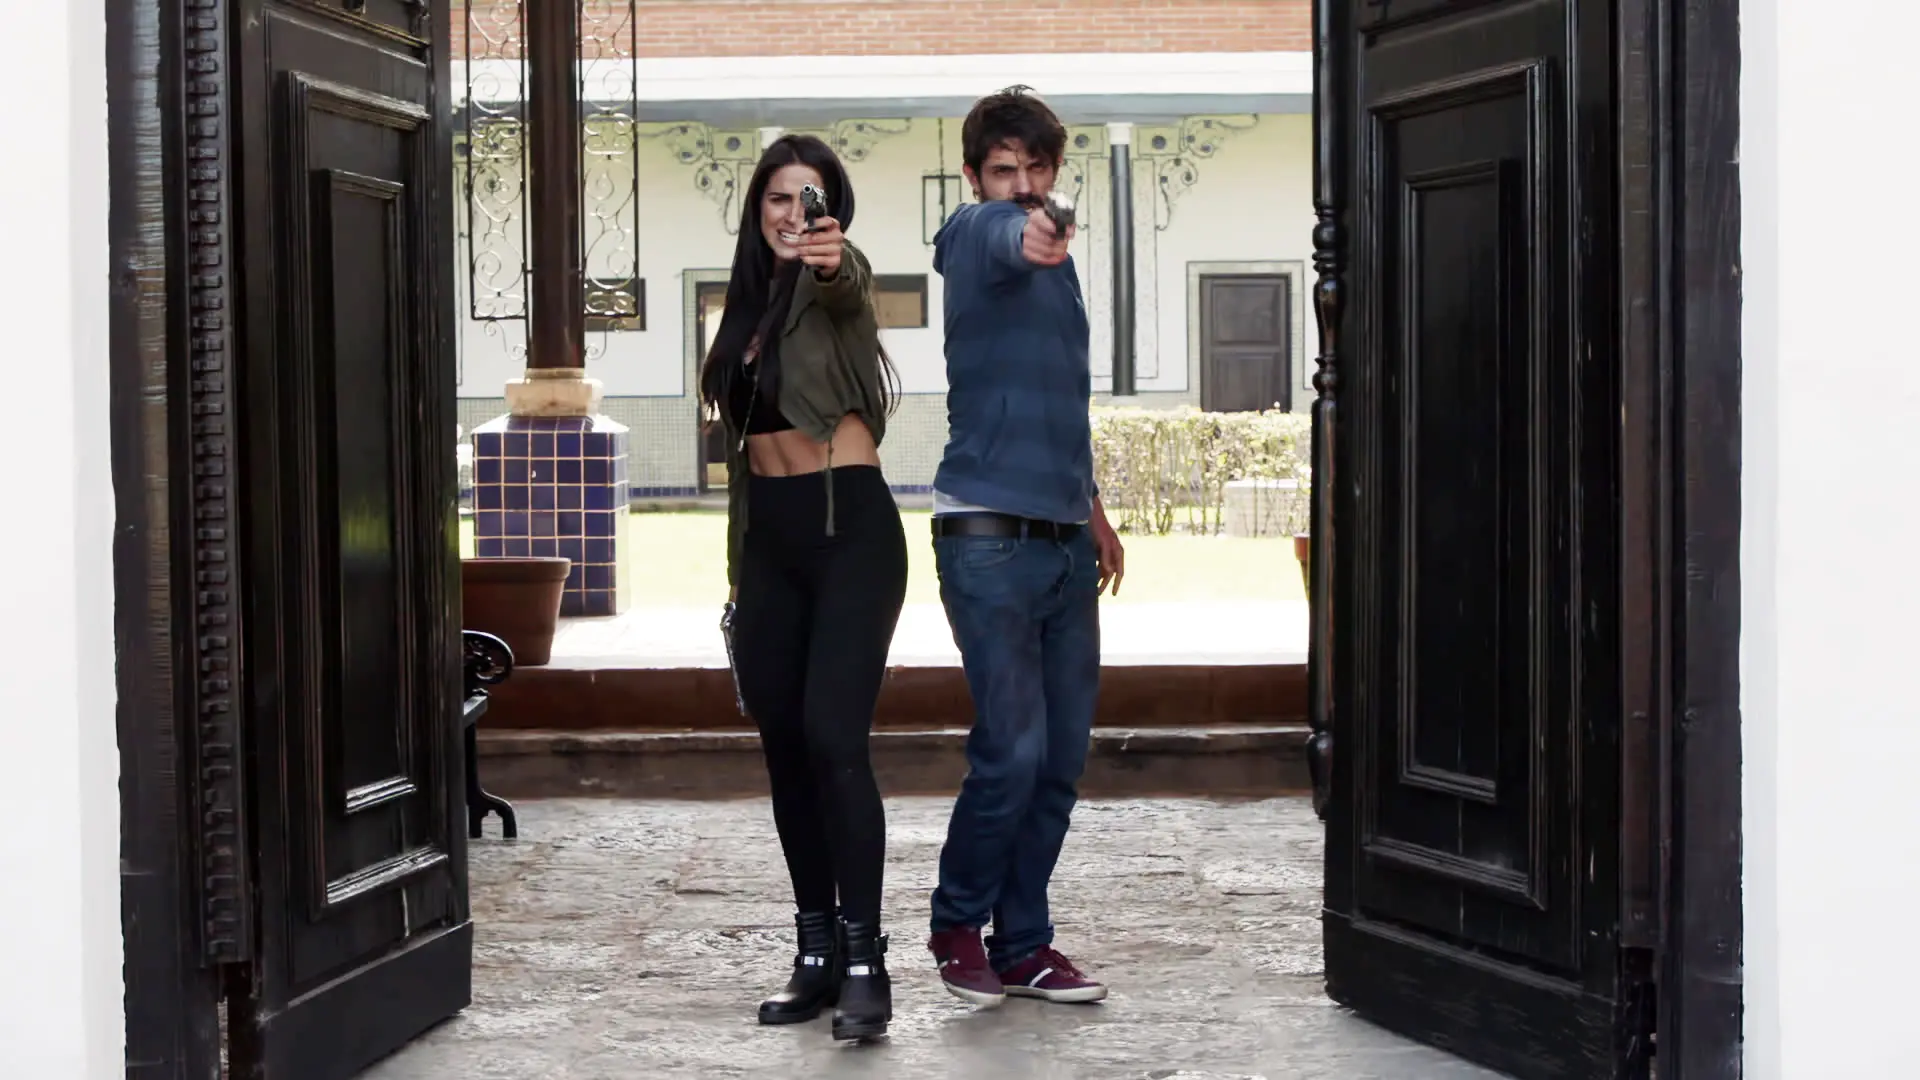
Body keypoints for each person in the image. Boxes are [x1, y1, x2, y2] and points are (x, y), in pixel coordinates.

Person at [699, 133, 906, 1041]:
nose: (794, 215)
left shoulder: (836, 285)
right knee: (785, 748)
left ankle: (866, 961)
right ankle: (816, 953)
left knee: (834, 739)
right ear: (757, 210)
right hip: (770, 548)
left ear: (834, 213)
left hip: (850, 534)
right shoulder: (744, 310)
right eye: (778, 199)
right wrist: (740, 577)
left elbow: (845, 279)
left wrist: (831, 256)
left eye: (810, 199)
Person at [923, 87, 1126, 1008]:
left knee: (1059, 760)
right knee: (1012, 751)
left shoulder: (1063, 272)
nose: (1022, 186)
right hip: (987, 540)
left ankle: (1024, 945)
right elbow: (1006, 236)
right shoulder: (974, 233)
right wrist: (1026, 230)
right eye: (1003, 170)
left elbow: (1058, 396)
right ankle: (957, 924)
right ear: (975, 176)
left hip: (1062, 542)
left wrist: (1092, 509)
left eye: (1037, 170)